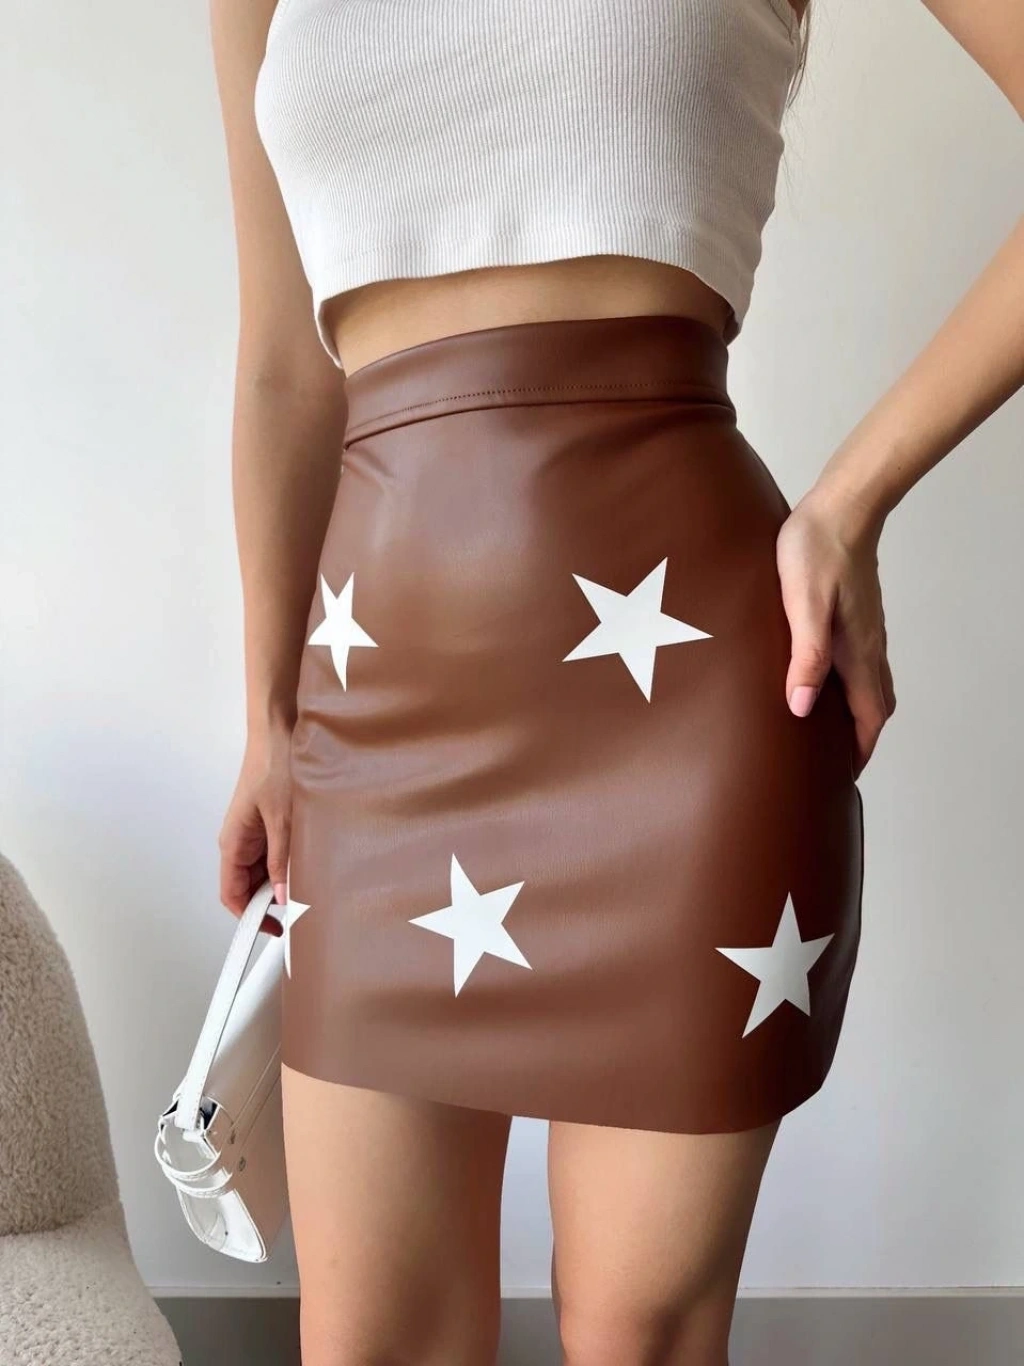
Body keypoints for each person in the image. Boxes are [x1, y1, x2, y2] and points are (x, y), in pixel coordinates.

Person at [209, 1, 1023, 1361]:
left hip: (687, 724)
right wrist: (267, 719)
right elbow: (287, 369)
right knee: (373, 1339)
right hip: (375, 723)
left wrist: (852, 502)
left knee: (640, 1338)